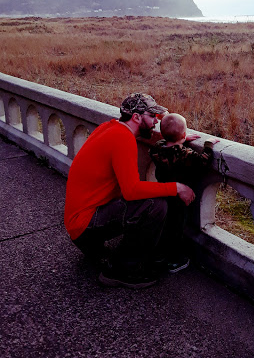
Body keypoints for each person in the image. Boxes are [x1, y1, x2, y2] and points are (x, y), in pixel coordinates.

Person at [64, 93, 195, 289]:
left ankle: (109, 254)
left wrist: (177, 140)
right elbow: (131, 191)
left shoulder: (109, 128)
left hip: (79, 226)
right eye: (153, 117)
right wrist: (176, 187)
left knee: (149, 200)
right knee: (156, 206)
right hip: (85, 227)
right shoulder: (123, 139)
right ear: (136, 117)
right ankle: (121, 270)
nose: (156, 123)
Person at [149, 113, 219, 272]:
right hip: (180, 199)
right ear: (183, 134)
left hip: (164, 193)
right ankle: (174, 261)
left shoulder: (157, 148)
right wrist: (208, 145)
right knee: (177, 228)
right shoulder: (184, 154)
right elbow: (203, 161)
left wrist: (180, 140)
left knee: (166, 226)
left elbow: (163, 144)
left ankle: (158, 255)